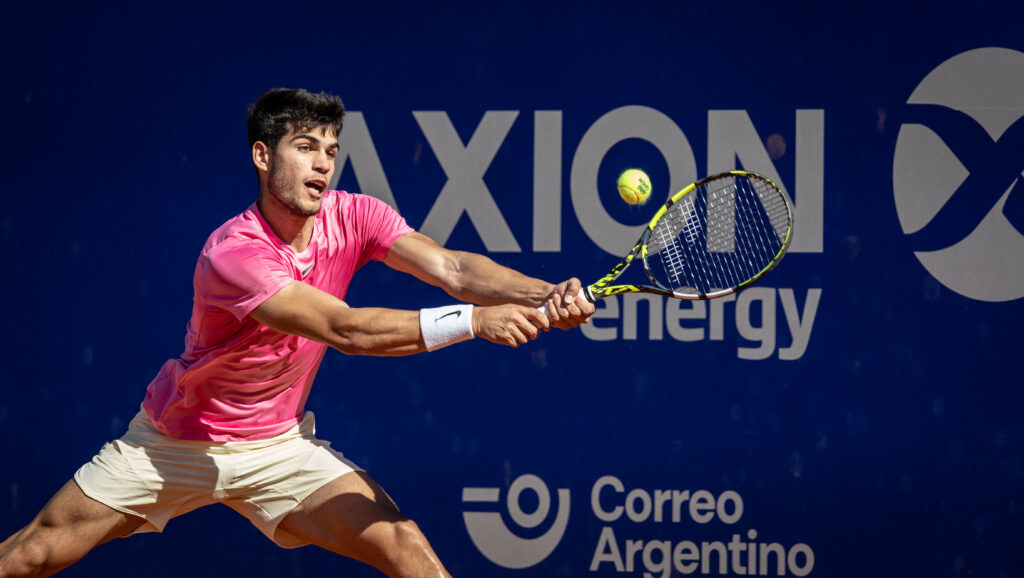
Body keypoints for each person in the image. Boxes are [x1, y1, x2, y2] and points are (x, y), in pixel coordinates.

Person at [0, 88, 594, 577]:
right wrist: (473, 321)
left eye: (330, 151)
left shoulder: (356, 215)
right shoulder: (233, 253)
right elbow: (346, 329)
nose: (322, 165)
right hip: (176, 444)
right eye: (305, 147)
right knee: (32, 555)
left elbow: (454, 268)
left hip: (278, 449)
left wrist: (544, 295)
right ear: (263, 156)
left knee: (404, 545)